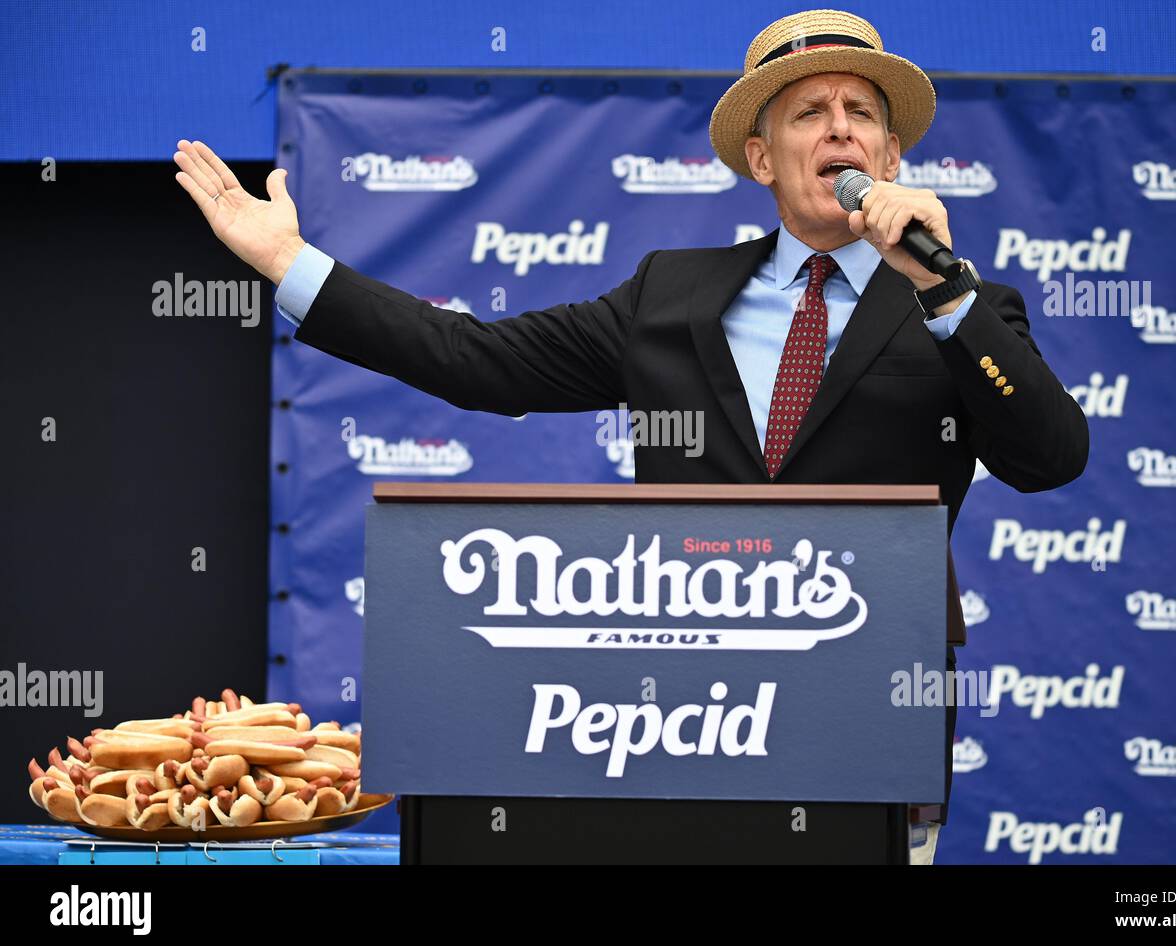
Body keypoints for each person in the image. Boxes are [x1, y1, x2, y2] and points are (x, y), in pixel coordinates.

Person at [173, 9, 1088, 864]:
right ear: (762, 158)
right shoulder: (670, 296)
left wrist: (945, 292)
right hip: (681, 719)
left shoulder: (962, 308)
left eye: (862, 112)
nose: (840, 128)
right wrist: (290, 266)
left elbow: (1049, 457)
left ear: (892, 153)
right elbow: (477, 360)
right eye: (810, 111)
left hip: (871, 719)